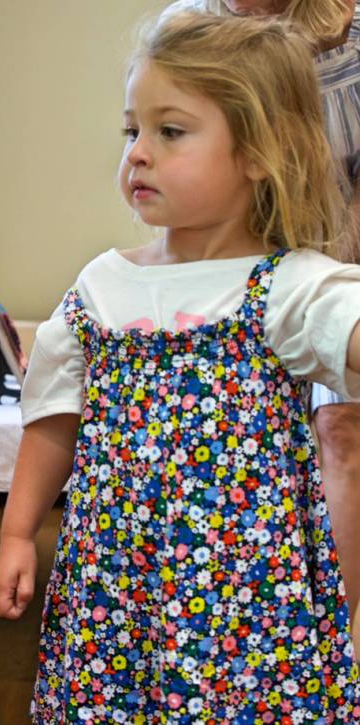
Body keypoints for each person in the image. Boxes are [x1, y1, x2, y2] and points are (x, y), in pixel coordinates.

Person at [0, 11, 360, 722]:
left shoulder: (287, 285)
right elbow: (51, 423)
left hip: (244, 602)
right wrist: (15, 532)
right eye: (132, 130)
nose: (137, 153)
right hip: (111, 584)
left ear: (256, 152)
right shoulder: (100, 285)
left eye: (170, 131)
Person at [170, 0, 360, 641]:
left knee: (341, 433)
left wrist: (320, 278)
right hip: (228, 278)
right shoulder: (187, 29)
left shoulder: (351, 40)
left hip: (340, 269)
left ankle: (321, 650)